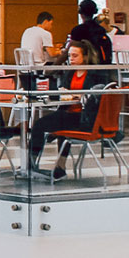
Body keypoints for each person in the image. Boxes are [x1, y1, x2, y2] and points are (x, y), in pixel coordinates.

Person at [23, 41, 116, 181]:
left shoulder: (96, 73)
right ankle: (36, 163)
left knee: (46, 125)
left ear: (85, 57)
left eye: (75, 56)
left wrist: (83, 95)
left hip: (87, 117)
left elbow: (100, 94)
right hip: (69, 112)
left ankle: (47, 165)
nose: (71, 59)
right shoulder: (70, 72)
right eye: (70, 56)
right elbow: (65, 90)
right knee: (40, 124)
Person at [67, 0, 113, 64]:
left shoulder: (78, 30)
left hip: (88, 65)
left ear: (80, 12)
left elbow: (69, 50)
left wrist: (54, 67)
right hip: (102, 65)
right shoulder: (101, 29)